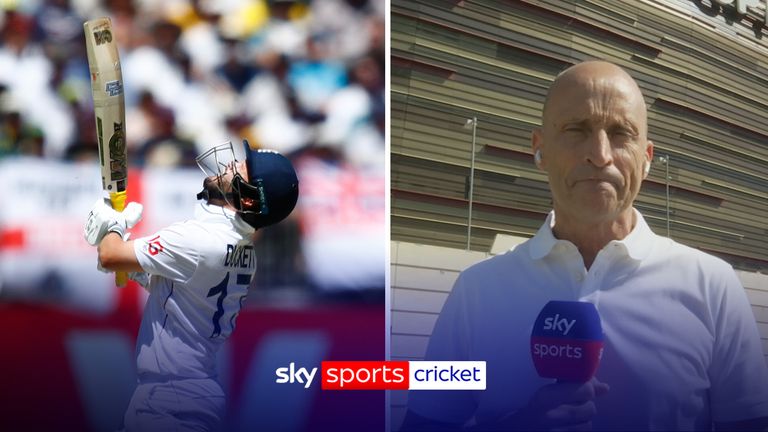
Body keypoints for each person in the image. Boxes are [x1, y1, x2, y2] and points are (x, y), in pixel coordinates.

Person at [401, 61, 768, 431]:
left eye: (621, 133)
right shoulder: (475, 291)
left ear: (646, 159)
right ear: (540, 149)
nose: (600, 154)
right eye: (576, 129)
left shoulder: (713, 286)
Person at [84, 140, 299, 431]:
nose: (231, 164)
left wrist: (113, 224)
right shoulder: (242, 252)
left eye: (242, 167)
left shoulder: (199, 240)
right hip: (184, 397)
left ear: (249, 198)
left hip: (170, 402)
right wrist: (132, 264)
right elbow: (177, 290)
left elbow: (109, 256)